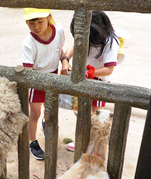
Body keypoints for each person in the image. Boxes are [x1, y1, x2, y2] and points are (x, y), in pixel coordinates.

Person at [62, 10, 120, 151]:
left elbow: (109, 69)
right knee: (83, 111)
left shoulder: (110, 42)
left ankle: (95, 142)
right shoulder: (85, 32)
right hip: (85, 78)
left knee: (96, 114)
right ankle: (83, 140)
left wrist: (90, 72)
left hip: (99, 82)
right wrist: (65, 60)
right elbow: (75, 44)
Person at [22, 8, 67, 160]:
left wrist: (64, 60)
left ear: (49, 17)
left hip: (53, 76)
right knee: (35, 113)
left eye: (40, 22)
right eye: (31, 23)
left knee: (50, 109)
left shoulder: (59, 31)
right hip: (36, 78)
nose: (36, 27)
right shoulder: (28, 43)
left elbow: (59, 49)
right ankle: (32, 140)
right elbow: (28, 71)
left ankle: (45, 124)